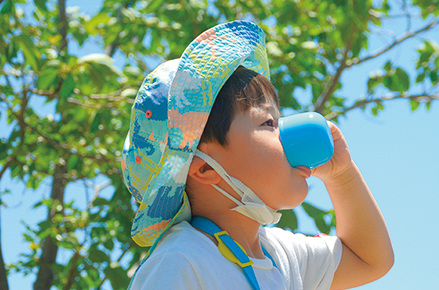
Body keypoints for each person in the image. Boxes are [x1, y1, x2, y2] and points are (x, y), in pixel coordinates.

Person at [121, 21, 393, 290]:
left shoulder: (280, 255)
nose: (285, 134)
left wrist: (343, 176)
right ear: (205, 169)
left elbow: (368, 259)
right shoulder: (180, 262)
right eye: (268, 123)